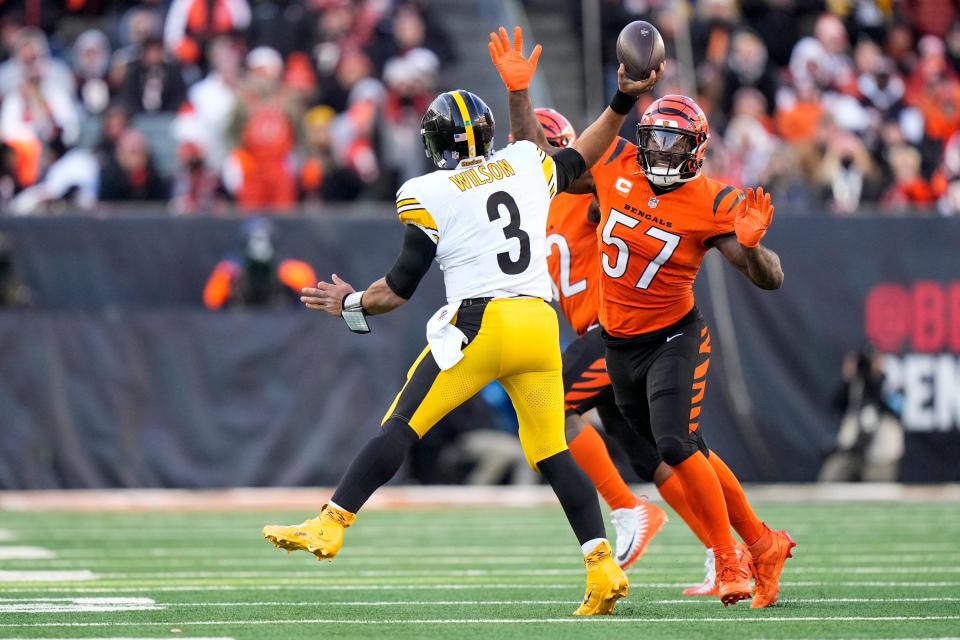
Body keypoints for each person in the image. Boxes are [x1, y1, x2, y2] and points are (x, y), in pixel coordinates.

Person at [262, 44, 660, 615]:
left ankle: (332, 522)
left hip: (481, 323)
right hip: (539, 327)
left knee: (402, 422)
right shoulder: (526, 164)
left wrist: (350, 304)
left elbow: (397, 290)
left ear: (433, 143)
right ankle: (601, 567)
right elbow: (584, 153)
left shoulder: (428, 192)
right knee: (551, 451)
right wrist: (624, 96)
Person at [492, 26, 795, 608]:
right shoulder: (615, 163)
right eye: (653, 141)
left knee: (677, 445)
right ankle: (760, 543)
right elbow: (540, 166)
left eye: (672, 145)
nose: (659, 153)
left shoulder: (710, 199)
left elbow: (769, 276)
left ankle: (730, 559)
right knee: (678, 451)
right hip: (619, 345)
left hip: (674, 336)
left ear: (696, 150)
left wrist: (754, 248)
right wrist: (519, 98)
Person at [536, 106, 750, 591]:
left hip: (614, 331)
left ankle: (626, 508)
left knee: (550, 407)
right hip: (606, 339)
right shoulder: (532, 204)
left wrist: (520, 97)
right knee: (652, 455)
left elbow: (561, 163)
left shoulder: (587, 188)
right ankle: (728, 553)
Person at [819, 346, 904, 482]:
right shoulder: (856, 383)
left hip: (881, 450)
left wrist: (876, 381)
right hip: (852, 447)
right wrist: (847, 381)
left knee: (877, 490)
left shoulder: (891, 383)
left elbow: (897, 410)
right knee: (831, 479)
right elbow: (835, 406)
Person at [203, 217, 316, 309]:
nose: (259, 246)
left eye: (263, 239)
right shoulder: (229, 269)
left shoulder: (288, 268)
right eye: (255, 239)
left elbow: (310, 292)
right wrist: (231, 277)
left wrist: (283, 274)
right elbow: (212, 300)